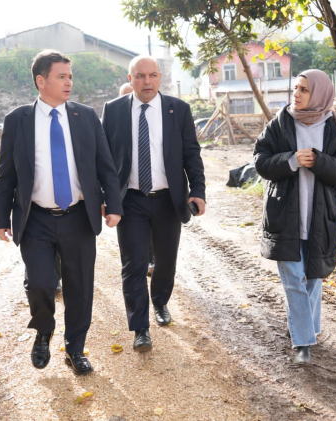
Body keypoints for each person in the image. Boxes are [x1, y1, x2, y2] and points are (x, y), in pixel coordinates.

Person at [0, 50, 123, 375]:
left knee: (80, 288)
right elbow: (6, 174)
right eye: (61, 76)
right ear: (41, 81)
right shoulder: (17, 120)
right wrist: (1, 218)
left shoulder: (85, 117)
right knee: (40, 282)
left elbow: (105, 166)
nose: (69, 82)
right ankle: (43, 330)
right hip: (35, 219)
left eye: (70, 76)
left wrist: (114, 204)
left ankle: (74, 349)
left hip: (78, 216)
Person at [102, 56, 206, 352]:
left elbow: (191, 153)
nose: (146, 81)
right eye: (140, 76)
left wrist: (197, 190)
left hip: (168, 200)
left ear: (160, 77)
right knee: (133, 264)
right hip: (130, 200)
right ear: (130, 78)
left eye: (152, 75)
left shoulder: (178, 109)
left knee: (166, 260)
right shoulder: (114, 110)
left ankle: (160, 301)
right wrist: (105, 198)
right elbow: (104, 159)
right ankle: (140, 328)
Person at [253, 69, 336, 364]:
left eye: (304, 90)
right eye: (295, 88)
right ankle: (303, 342)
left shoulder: (333, 127)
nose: (296, 95)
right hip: (285, 216)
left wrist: (319, 161)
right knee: (294, 281)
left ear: (320, 94)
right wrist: (291, 160)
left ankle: (306, 327)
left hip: (321, 217)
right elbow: (260, 161)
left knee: (313, 278)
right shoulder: (280, 123)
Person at [119, 81, 155, 277]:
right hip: (130, 194)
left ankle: (152, 260)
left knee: (154, 233)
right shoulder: (116, 118)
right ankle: (143, 263)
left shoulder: (154, 116)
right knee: (134, 244)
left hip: (158, 193)